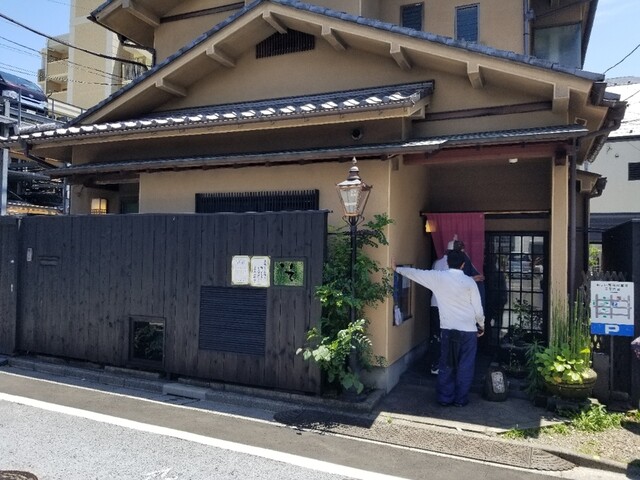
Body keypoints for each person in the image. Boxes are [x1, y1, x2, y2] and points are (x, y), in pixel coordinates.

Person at [393, 249, 485, 407]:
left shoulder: (438, 278)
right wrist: (481, 325)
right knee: (466, 365)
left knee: (446, 364)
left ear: (447, 262)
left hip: (448, 329)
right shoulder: (470, 283)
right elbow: (478, 309)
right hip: (468, 330)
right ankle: (460, 399)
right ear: (463, 265)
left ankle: (445, 398)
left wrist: (397, 269)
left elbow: (417, 274)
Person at [428, 250, 449, 375]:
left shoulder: (437, 263)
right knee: (447, 335)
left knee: (436, 335)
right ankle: (444, 364)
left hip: (435, 303)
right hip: (447, 306)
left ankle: (434, 364)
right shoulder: (452, 265)